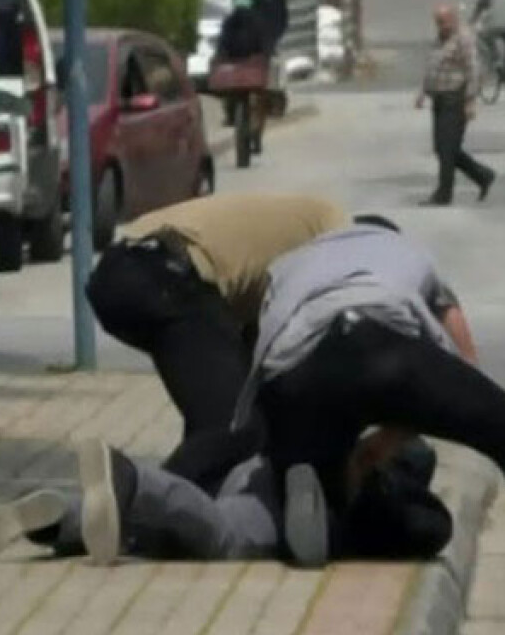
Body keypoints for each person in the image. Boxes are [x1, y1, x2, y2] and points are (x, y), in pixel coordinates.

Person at [230, 217, 505, 621]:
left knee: (321, 467)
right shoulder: (408, 254)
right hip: (379, 345)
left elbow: (254, 336)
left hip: (292, 372)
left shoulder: (289, 265)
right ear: (390, 235)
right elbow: (464, 357)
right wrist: (394, 434)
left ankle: (310, 486)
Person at [83, 193, 350, 494]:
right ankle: (135, 501)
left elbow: (254, 363)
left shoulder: (307, 227)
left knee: (218, 418)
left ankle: (184, 516)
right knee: (236, 427)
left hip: (122, 270)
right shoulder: (337, 239)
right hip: (166, 274)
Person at [0, 430, 454, 567]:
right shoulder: (410, 483)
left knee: (166, 539)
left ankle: (60, 521)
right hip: (283, 499)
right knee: (221, 535)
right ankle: (130, 482)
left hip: (256, 461)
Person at [414, 3, 496, 207]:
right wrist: (423, 92)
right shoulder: (439, 40)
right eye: (438, 22)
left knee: (447, 149)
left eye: (444, 21)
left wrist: (470, 101)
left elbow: (473, 70)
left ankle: (444, 193)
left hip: (455, 99)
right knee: (443, 149)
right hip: (439, 99)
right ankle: (483, 175)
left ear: (453, 19)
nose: (441, 26)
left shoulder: (464, 39)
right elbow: (433, 66)